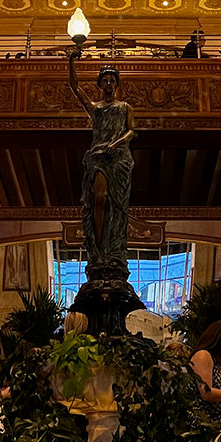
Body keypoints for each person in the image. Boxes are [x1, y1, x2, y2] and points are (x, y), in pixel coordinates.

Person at [68, 53, 135, 277]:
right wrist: (71, 61)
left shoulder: (125, 107)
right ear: (99, 84)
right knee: (99, 199)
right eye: (105, 80)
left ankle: (113, 251)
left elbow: (131, 131)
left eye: (112, 80)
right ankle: (97, 250)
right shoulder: (95, 108)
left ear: (116, 84)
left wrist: (116, 144)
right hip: (98, 158)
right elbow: (74, 86)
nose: (108, 83)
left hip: (119, 160)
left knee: (117, 207)